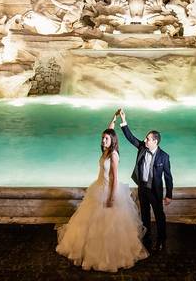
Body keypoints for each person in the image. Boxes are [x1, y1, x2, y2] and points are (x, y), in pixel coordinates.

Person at [56, 111, 148, 272]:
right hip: (98, 187)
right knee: (90, 222)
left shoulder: (113, 155)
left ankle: (107, 256)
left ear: (112, 141)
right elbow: (109, 130)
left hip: (109, 191)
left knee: (108, 226)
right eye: (102, 138)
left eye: (106, 138)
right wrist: (114, 118)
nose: (103, 140)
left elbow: (114, 178)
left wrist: (111, 197)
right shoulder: (105, 150)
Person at [119, 108, 174, 252]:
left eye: (148, 139)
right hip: (142, 188)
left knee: (159, 216)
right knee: (144, 215)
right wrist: (124, 122)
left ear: (155, 141)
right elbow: (131, 138)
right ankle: (146, 238)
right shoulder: (142, 148)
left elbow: (168, 177)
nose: (145, 140)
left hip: (155, 191)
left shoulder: (164, 157)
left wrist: (169, 195)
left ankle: (161, 240)